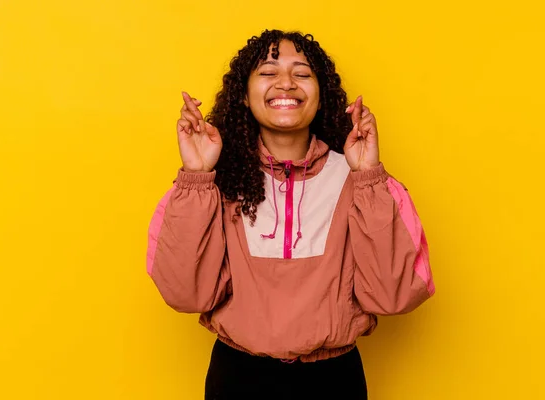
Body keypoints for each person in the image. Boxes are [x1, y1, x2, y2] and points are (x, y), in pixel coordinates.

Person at [146, 29, 435, 400]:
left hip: (334, 379)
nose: (286, 84)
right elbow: (186, 294)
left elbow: (394, 295)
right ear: (244, 97)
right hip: (237, 378)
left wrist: (367, 176)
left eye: (302, 73)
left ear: (321, 95)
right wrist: (198, 175)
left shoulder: (358, 178)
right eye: (268, 73)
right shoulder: (215, 181)